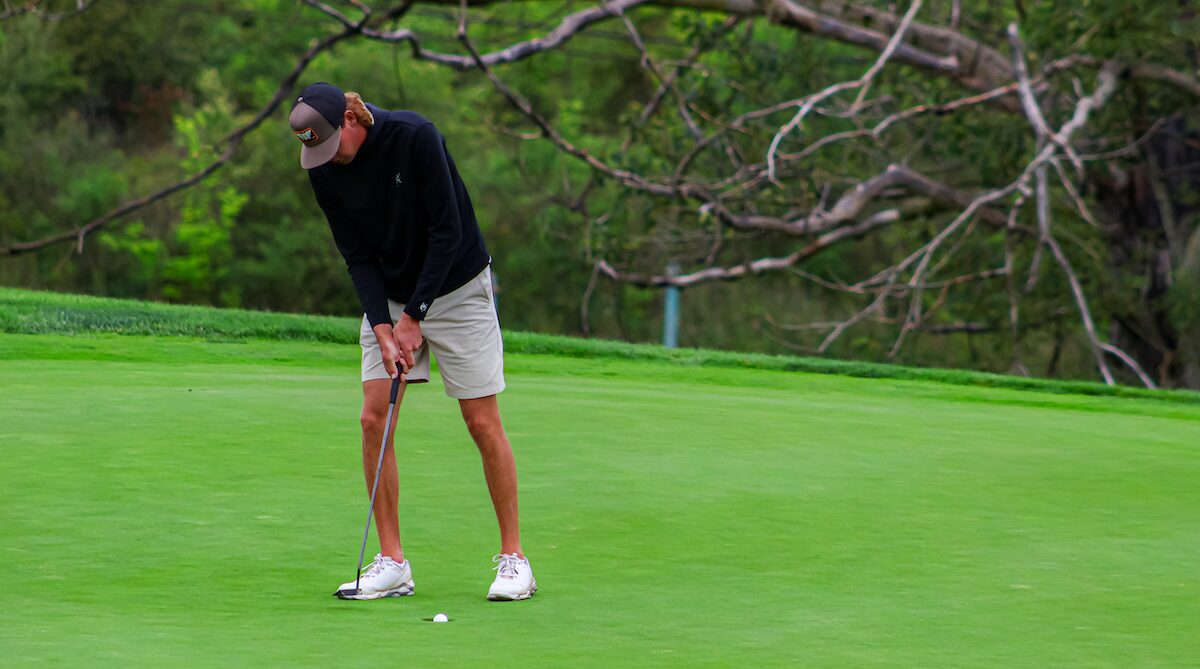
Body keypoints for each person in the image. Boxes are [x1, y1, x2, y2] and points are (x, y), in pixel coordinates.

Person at [289, 82, 535, 601]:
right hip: (394, 297)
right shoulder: (324, 167)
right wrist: (383, 324)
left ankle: (515, 560)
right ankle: (393, 561)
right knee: (373, 417)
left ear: (353, 120)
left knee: (481, 419)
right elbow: (355, 254)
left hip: (458, 285)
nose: (328, 159)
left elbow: (448, 230)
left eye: (332, 146)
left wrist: (416, 315)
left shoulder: (416, 136)